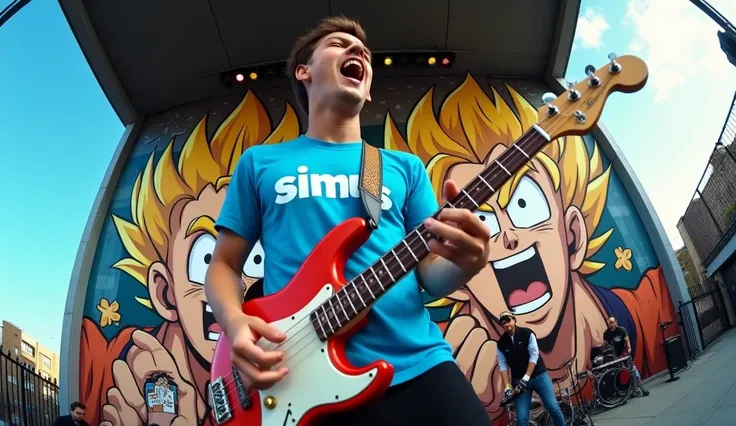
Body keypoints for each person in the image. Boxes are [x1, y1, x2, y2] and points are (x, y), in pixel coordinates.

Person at [204, 15, 493, 426]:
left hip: (418, 363)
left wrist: (468, 262)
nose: (357, 51)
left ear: (369, 87)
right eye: (339, 45)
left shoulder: (402, 167)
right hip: (298, 381)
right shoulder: (260, 163)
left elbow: (429, 275)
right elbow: (224, 265)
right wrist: (235, 325)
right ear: (303, 71)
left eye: (364, 54)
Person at [496, 311, 566, 426]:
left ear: (514, 320)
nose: (506, 324)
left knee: (552, 407)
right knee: (522, 420)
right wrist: (507, 387)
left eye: (508, 320)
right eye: (503, 322)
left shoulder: (527, 333)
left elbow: (534, 355)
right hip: (520, 383)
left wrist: (526, 378)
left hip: (539, 376)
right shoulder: (501, 343)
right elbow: (503, 365)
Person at [603, 316, 649, 396]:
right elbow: (606, 345)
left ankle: (642, 388)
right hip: (615, 357)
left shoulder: (621, 330)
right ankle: (627, 391)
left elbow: (627, 341)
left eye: (612, 322)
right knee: (619, 374)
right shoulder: (606, 333)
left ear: (615, 322)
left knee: (632, 370)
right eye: (609, 323)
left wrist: (629, 349)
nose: (611, 324)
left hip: (624, 354)